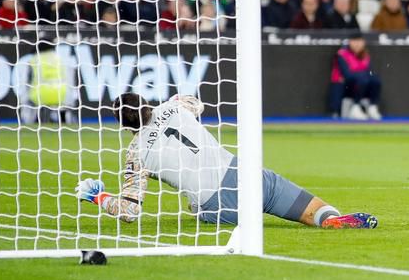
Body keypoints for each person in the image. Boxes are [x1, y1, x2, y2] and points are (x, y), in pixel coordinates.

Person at [76, 93, 378, 229]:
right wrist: (164, 107)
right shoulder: (175, 106)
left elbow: (129, 211)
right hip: (246, 177)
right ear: (145, 101)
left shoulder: (135, 154)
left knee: (194, 206)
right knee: (309, 210)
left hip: (217, 207)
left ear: (123, 125)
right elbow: (198, 104)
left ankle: (201, 210)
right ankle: (330, 218)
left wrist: (97, 196)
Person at [328, 34, 383, 120]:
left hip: (361, 85)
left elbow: (369, 71)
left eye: (359, 41)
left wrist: (364, 75)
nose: (357, 44)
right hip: (345, 85)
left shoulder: (365, 55)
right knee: (363, 79)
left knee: (375, 80)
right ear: (350, 42)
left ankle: (372, 106)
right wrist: (363, 75)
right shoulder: (342, 54)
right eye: (355, 41)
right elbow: (347, 75)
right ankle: (355, 107)